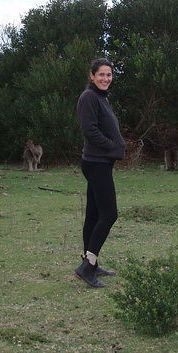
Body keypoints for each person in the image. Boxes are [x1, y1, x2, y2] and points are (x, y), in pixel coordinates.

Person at [74, 58, 126, 288]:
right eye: (101, 75)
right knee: (109, 214)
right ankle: (87, 266)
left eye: (109, 75)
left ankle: (91, 264)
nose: (106, 79)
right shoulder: (89, 97)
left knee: (94, 216)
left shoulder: (100, 97)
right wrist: (113, 147)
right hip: (96, 163)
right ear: (92, 76)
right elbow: (90, 131)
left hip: (100, 162)